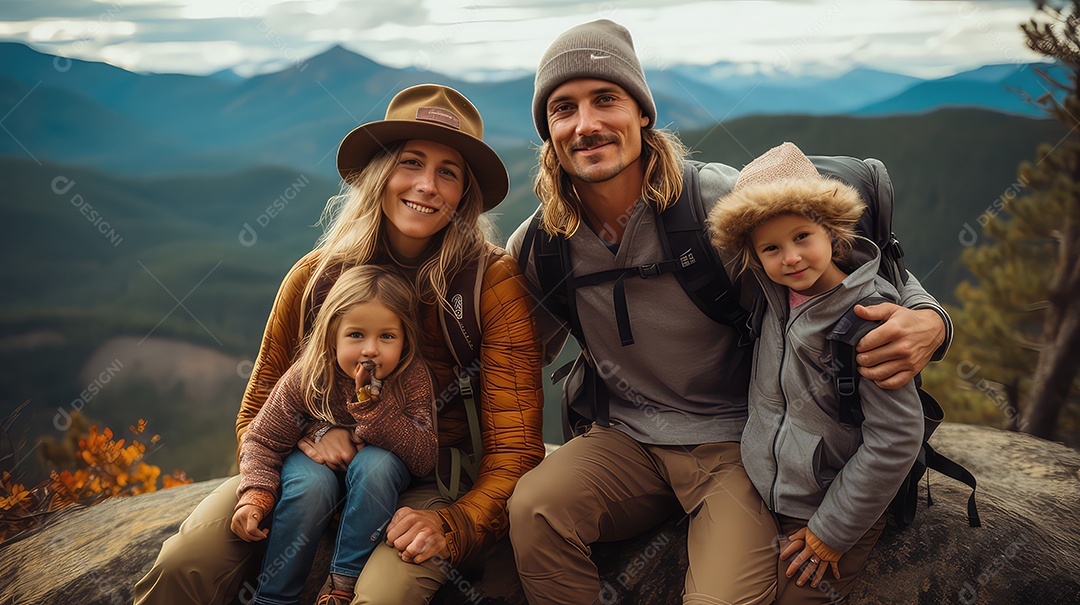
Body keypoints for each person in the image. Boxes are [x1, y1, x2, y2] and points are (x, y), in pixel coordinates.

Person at [505, 19, 951, 605]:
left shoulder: (715, 201)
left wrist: (931, 319)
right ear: (549, 132)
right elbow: (506, 354)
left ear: (642, 112)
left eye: (605, 100)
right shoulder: (542, 243)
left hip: (732, 444)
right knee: (534, 509)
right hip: (621, 441)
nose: (586, 125)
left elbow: (841, 262)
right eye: (563, 109)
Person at [134, 84, 545, 605]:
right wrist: (308, 438)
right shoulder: (316, 277)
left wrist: (456, 523)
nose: (426, 185)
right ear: (380, 173)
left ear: (465, 193)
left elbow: (516, 451)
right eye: (411, 162)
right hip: (308, 471)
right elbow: (258, 412)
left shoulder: (490, 282)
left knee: (379, 599)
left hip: (427, 479)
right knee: (182, 566)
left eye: (449, 171)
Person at [708, 142, 924, 603]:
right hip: (771, 497)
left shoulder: (868, 317)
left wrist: (831, 531)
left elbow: (898, 435)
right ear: (753, 257)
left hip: (832, 508)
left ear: (832, 229)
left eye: (802, 236)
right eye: (771, 247)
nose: (790, 258)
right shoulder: (773, 295)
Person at [233, 265, 438, 605]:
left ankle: (341, 588)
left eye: (387, 336)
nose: (370, 349)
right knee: (309, 485)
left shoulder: (411, 377)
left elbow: (423, 458)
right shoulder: (308, 375)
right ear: (332, 335)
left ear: (404, 341)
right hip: (318, 470)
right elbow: (262, 439)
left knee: (376, 466)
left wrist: (373, 410)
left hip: (378, 476)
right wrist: (256, 494)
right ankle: (273, 597)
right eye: (356, 335)